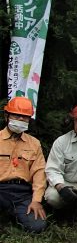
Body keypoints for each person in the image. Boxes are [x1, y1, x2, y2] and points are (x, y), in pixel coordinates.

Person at [0, 97, 47, 233]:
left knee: (37, 226)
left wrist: (36, 200)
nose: (20, 119)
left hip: (22, 192)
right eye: (16, 115)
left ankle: (16, 214)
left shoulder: (34, 143)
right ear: (6, 116)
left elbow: (39, 173)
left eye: (25, 117)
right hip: (1, 189)